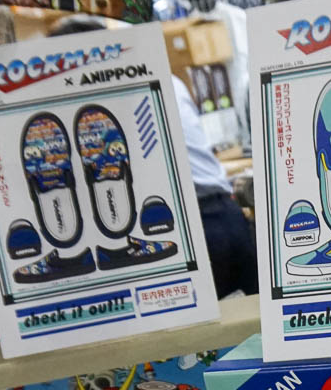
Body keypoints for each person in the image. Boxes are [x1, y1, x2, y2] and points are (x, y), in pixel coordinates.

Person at [48, 16, 257, 299]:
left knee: (206, 322)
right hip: (227, 214)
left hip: (189, 225)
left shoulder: (102, 102)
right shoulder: (164, 78)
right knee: (255, 316)